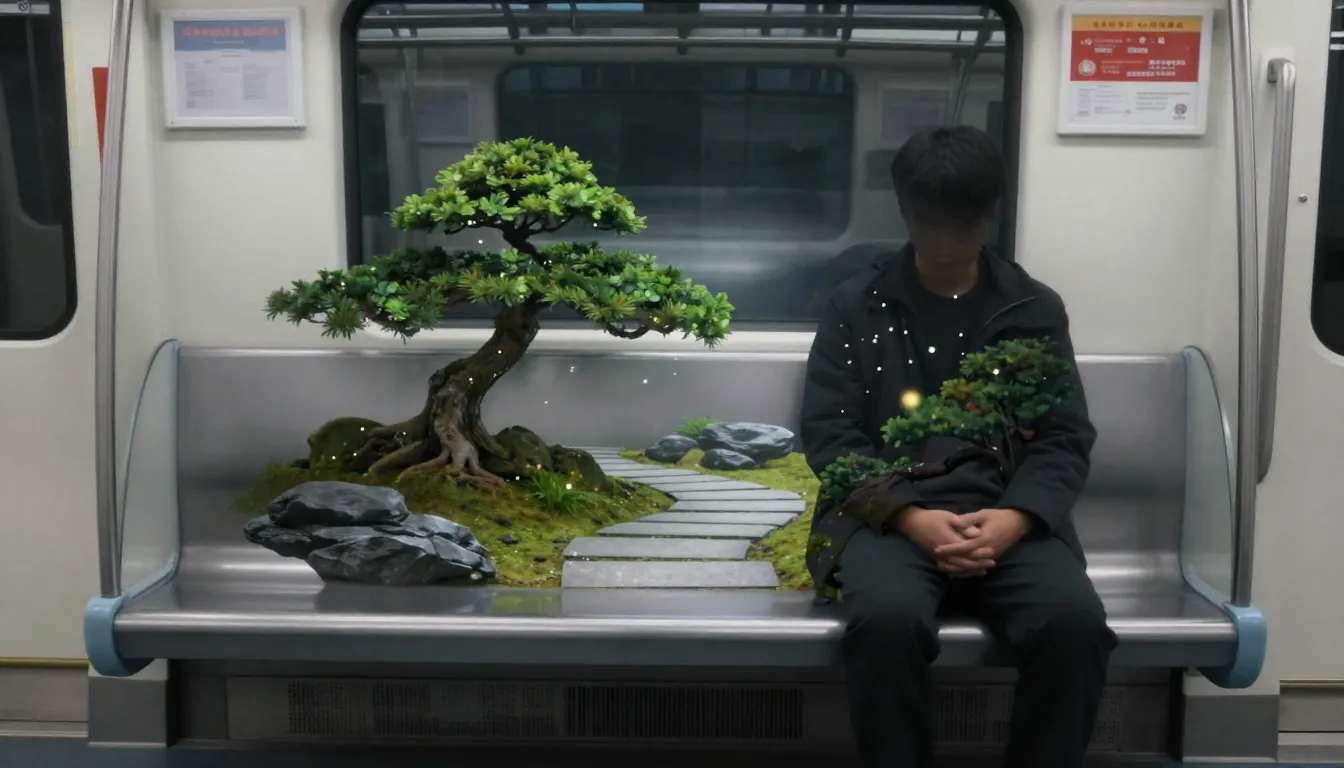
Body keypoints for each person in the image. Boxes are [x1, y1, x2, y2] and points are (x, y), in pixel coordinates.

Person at [799, 125, 1116, 768]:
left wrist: (1017, 517)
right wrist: (909, 515)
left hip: (1009, 515)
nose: (945, 246)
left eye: (962, 226)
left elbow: (1063, 436)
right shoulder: (856, 307)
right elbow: (831, 435)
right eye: (930, 224)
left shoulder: (1031, 309)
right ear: (905, 212)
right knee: (886, 623)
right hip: (886, 518)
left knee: (1075, 625)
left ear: (988, 215)